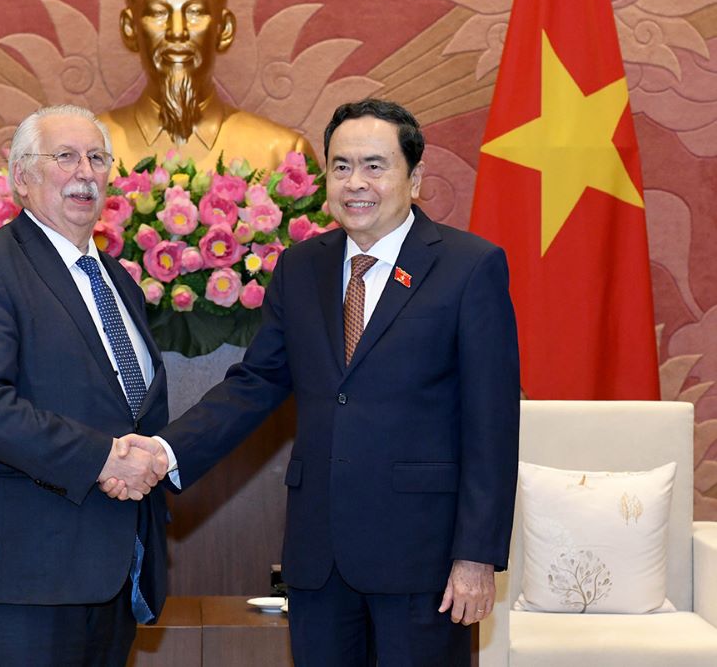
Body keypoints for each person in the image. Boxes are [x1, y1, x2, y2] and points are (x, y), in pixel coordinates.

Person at [107, 99, 520, 666]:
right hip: (318, 556)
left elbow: (491, 425)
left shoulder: (468, 266)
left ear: (415, 177)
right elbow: (256, 383)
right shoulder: (302, 267)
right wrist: (165, 452)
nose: (356, 183)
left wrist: (475, 555)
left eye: (375, 166)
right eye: (341, 166)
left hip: (422, 558)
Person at [0, 104, 170, 667]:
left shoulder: (119, 281)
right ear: (22, 178)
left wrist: (152, 458)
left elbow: (133, 410)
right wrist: (104, 458)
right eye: (65, 157)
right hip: (23, 571)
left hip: (114, 570)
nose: (86, 172)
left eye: (98, 158)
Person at [99, 0, 313, 173]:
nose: (177, 32)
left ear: (224, 29)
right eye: (158, 12)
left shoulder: (283, 155)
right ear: (130, 29)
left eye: (195, 12)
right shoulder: (89, 151)